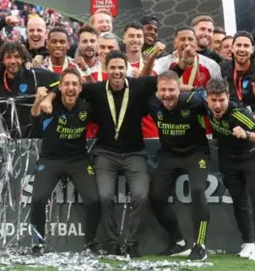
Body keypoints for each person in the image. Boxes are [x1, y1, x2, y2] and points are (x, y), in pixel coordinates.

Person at [40, 46, 165, 257]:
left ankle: (133, 243)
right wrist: (48, 97)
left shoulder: (138, 86)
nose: (117, 72)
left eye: (120, 68)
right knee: (105, 196)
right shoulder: (96, 89)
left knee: (141, 196)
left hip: (135, 154)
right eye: (113, 67)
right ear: (106, 68)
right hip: (105, 154)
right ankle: (113, 243)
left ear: (127, 69)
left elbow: (166, 80)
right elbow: (61, 84)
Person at [29, 68, 100, 255]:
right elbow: (35, 116)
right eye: (66, 84)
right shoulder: (50, 105)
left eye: (74, 84)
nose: (70, 88)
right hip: (50, 160)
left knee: (94, 199)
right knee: (37, 199)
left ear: (80, 88)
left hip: (78, 160)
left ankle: (90, 243)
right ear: (60, 87)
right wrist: (41, 99)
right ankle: (38, 243)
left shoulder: (87, 106)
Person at [146, 71, 211, 261]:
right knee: (156, 197)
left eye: (172, 90)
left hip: (196, 153)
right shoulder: (151, 103)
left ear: (179, 89)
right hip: (169, 154)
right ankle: (179, 242)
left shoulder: (194, 100)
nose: (167, 94)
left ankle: (200, 245)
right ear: (157, 90)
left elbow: (214, 101)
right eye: (163, 90)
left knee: (198, 190)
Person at [204, 77, 255, 261]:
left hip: (253, 158)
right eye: (213, 100)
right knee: (239, 202)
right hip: (229, 160)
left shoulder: (239, 113)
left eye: (221, 100)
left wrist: (247, 134)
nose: (217, 105)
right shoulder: (203, 107)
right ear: (206, 98)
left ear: (228, 97)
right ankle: (248, 241)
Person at [0, 41, 59, 138]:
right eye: (8, 57)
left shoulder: (34, 75)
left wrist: (49, 98)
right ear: (2, 60)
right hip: (5, 140)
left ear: (23, 59)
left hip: (31, 139)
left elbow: (62, 81)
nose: (13, 61)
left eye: (17, 57)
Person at [218, 32, 255, 126]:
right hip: (230, 124)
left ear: (252, 49)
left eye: (246, 46)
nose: (242, 49)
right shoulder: (222, 68)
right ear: (232, 48)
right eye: (238, 45)